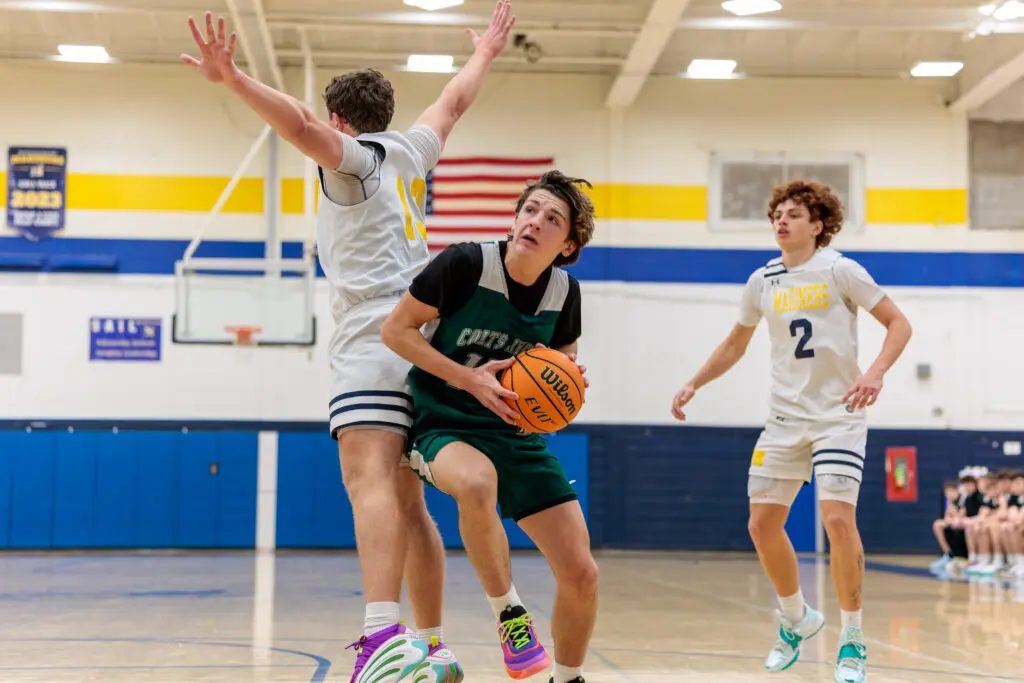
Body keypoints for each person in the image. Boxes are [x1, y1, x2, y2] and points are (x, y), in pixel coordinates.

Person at [181, 4, 517, 682]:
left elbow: (298, 126)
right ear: (386, 111)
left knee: (367, 482)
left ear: (340, 119)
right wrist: (483, 52)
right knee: (409, 499)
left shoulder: (355, 160)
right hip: (423, 337)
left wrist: (235, 78)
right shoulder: (411, 150)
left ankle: (381, 636)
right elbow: (451, 104)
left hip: (372, 334)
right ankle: (431, 643)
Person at [670, 179, 912, 683]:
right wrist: (695, 381)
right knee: (761, 525)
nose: (782, 220)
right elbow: (735, 344)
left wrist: (876, 372)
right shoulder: (762, 280)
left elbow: (899, 324)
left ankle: (852, 639)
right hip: (784, 419)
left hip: (838, 415)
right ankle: (797, 620)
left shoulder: (840, 269)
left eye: (794, 214)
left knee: (837, 521)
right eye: (777, 213)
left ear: (818, 225)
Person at [381, 170, 599, 683]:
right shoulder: (466, 263)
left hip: (516, 433)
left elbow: (562, 358)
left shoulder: (565, 292)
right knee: (478, 482)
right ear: (515, 216)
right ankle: (510, 615)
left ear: (566, 245)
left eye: (552, 219)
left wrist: (563, 391)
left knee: (582, 572)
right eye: (530, 210)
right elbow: (396, 330)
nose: (535, 222)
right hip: (445, 420)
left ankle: (566, 679)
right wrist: (469, 380)